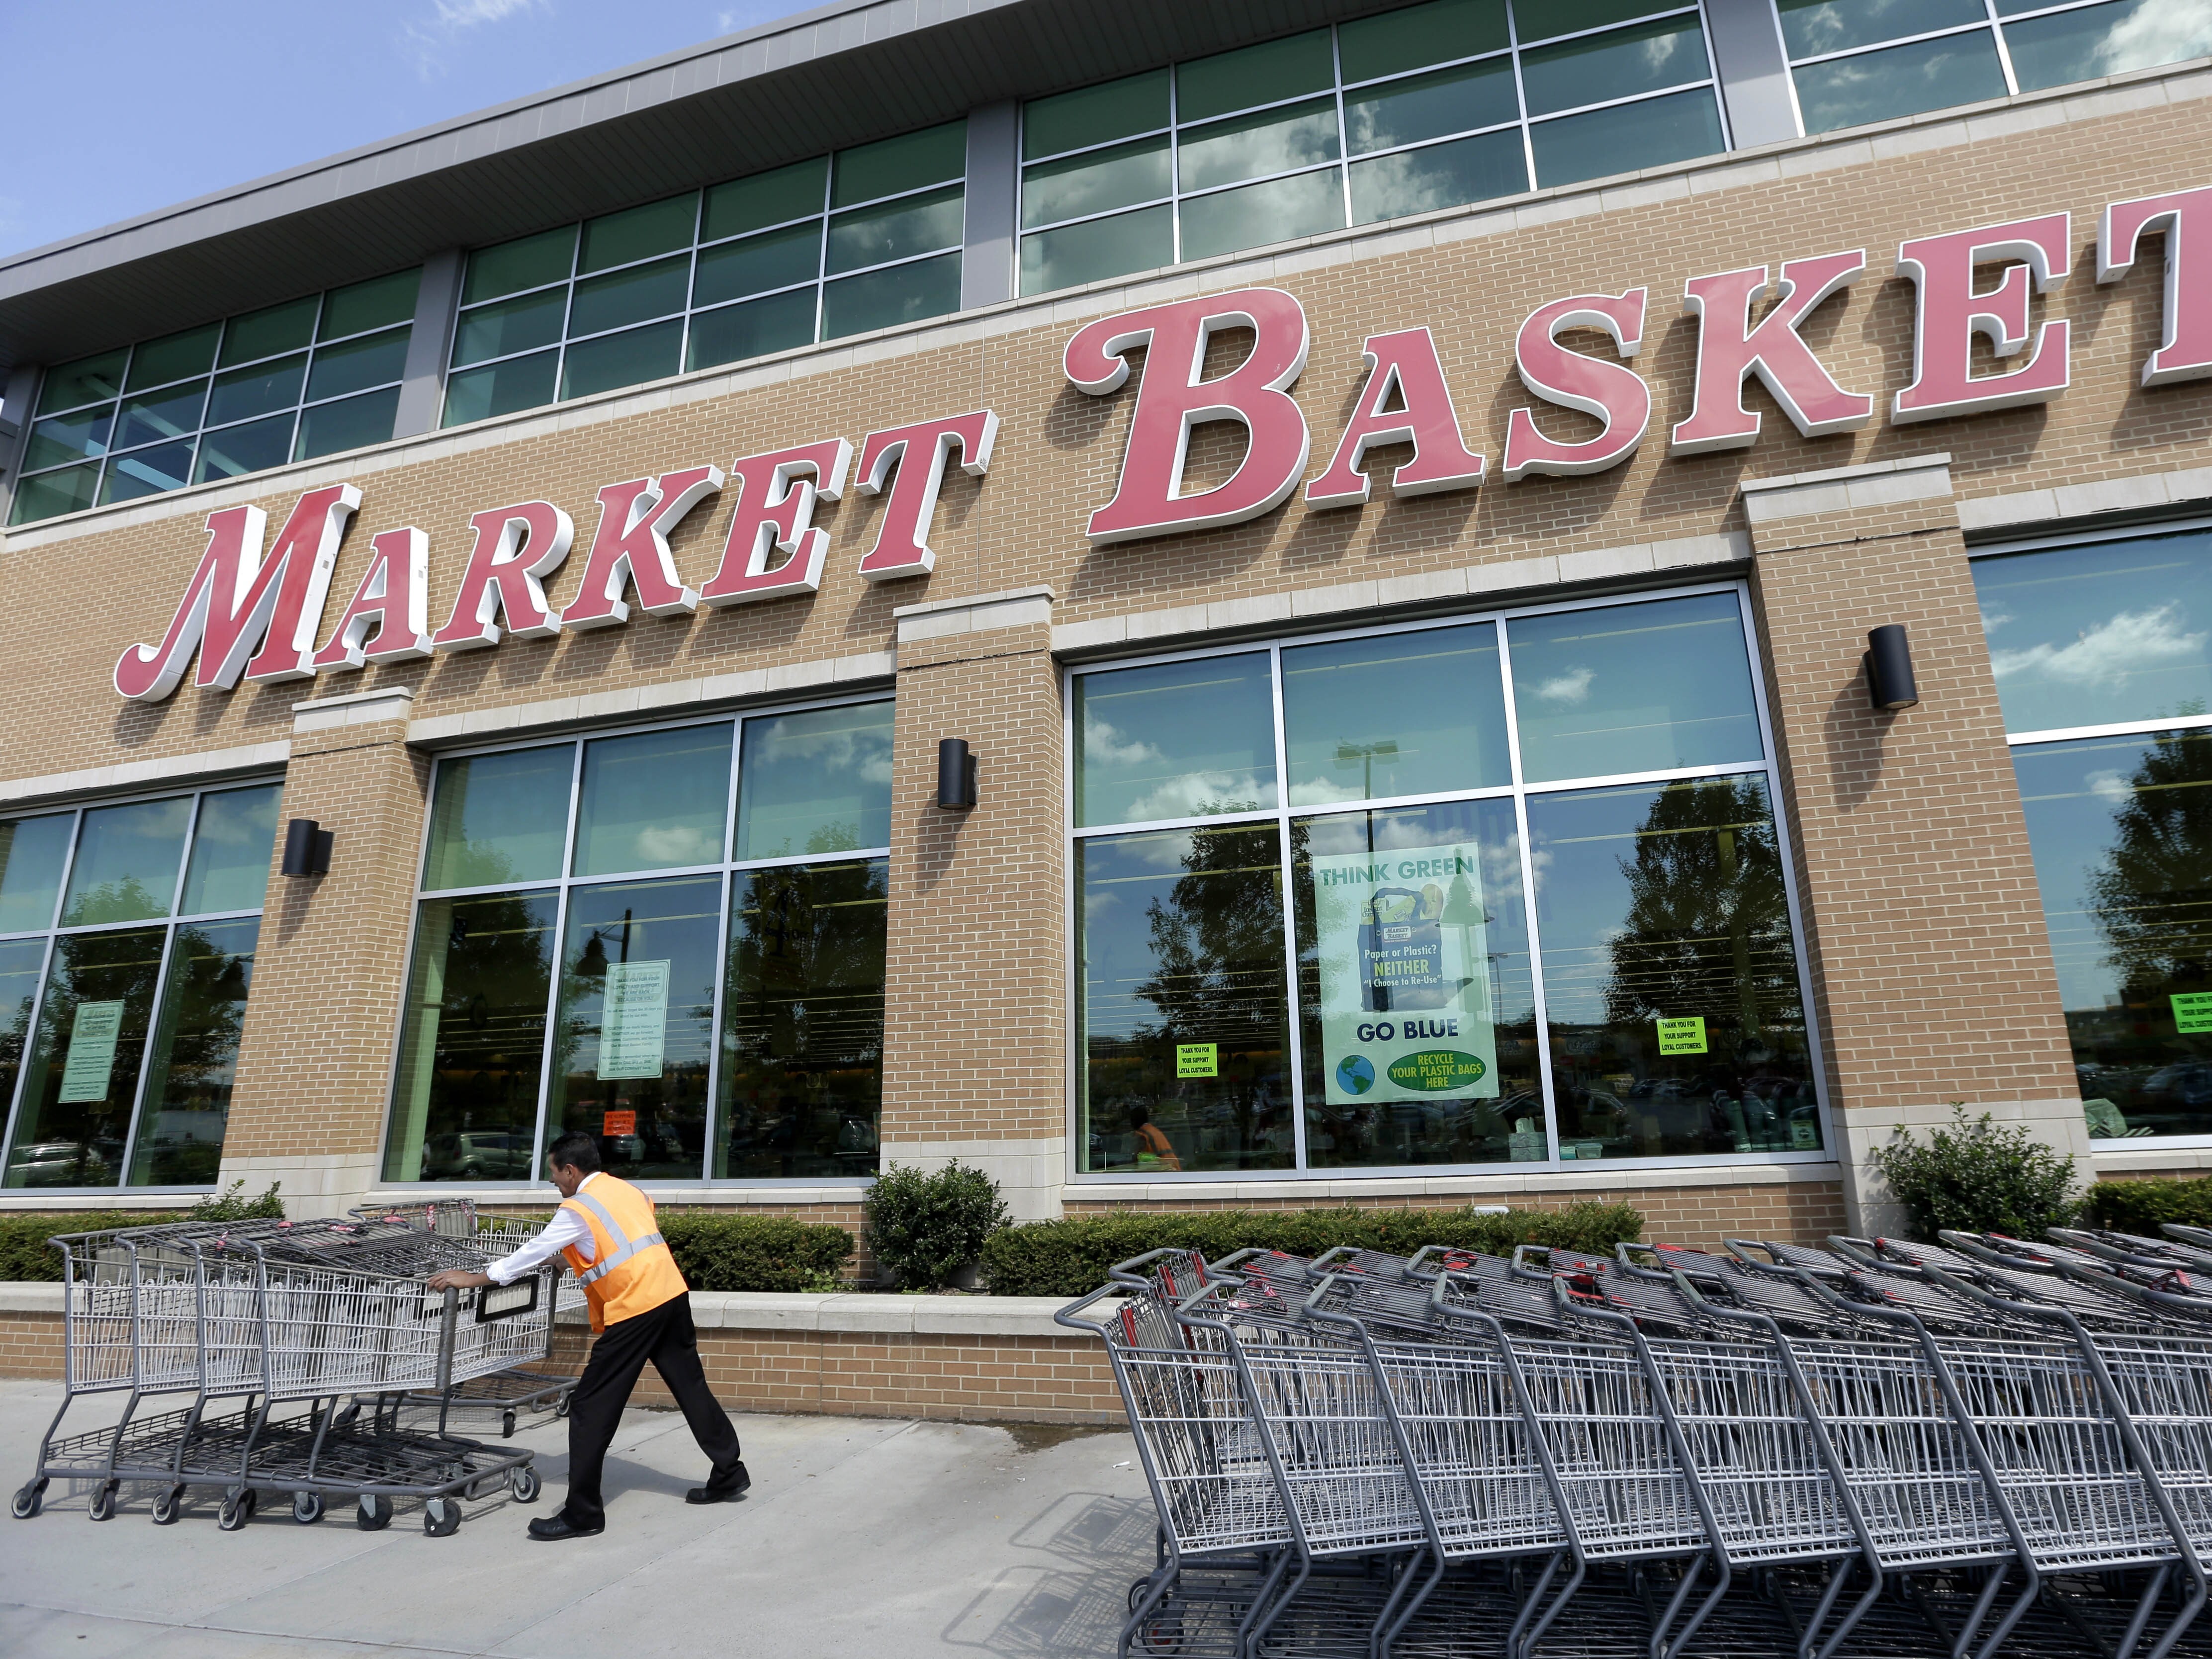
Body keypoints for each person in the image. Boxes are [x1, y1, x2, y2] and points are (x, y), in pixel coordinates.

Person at [427, 1130, 749, 1539]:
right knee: (690, 1386)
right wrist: (570, 1258)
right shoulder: (626, 1189)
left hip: (635, 1307)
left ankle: (583, 1513)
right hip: (670, 1294)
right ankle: (729, 1470)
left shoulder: (577, 1207)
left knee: (589, 1406)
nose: (553, 1181)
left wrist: (475, 1278)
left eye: (553, 1173)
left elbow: (534, 1250)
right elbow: (622, 1239)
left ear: (571, 1169)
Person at [1129, 1103, 1180, 1171]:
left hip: (1165, 1170)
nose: (1131, 1124)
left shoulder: (1142, 1134)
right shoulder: (1153, 1130)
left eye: (1131, 1121)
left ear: (1136, 1120)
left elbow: (1138, 1160)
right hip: (1174, 1168)